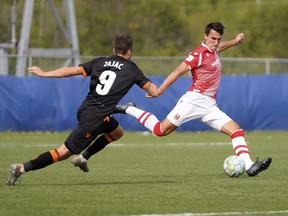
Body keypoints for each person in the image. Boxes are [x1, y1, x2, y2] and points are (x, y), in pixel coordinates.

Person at [114, 22, 272, 177]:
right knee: (160, 131)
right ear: (205, 36)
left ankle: (250, 165)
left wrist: (235, 42)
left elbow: (220, 47)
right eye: (213, 39)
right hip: (194, 101)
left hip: (209, 105)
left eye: (218, 39)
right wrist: (160, 90)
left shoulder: (214, 49)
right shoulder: (198, 54)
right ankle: (129, 108)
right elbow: (177, 71)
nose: (216, 42)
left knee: (236, 131)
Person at [7, 33, 159, 186]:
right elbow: (154, 92)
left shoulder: (100, 62)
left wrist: (45, 73)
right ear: (130, 52)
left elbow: (70, 71)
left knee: (117, 132)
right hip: (95, 118)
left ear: (114, 50)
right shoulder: (133, 69)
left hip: (86, 108)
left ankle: (83, 158)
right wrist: (153, 87)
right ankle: (22, 167)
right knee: (63, 153)